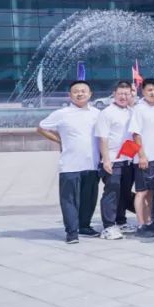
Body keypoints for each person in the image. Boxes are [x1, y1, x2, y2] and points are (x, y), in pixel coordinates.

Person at [36, 80, 99, 243]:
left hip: (92, 163)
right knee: (69, 199)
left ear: (90, 94)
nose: (80, 94)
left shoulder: (97, 113)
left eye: (83, 91)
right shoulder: (62, 113)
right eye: (76, 91)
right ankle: (71, 232)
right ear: (70, 95)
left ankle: (84, 226)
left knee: (89, 198)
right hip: (70, 164)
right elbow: (41, 128)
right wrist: (60, 140)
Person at [126, 78, 154, 237]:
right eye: (149, 90)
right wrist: (142, 155)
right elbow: (135, 133)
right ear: (143, 91)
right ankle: (141, 225)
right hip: (144, 158)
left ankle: (150, 221)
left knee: (152, 191)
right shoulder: (139, 109)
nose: (153, 93)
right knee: (141, 192)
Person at [93, 80, 135, 240]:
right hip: (112, 160)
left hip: (128, 159)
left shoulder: (132, 111)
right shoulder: (107, 113)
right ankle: (108, 226)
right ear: (114, 94)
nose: (123, 97)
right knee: (112, 192)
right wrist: (106, 160)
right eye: (120, 94)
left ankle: (121, 221)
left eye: (127, 94)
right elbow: (102, 138)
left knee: (124, 192)